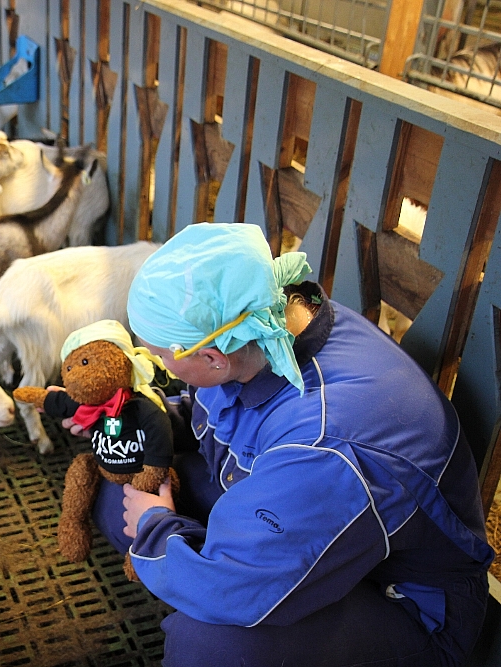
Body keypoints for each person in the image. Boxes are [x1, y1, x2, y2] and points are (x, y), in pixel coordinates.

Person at [81, 223, 494, 667]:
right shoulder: (267, 324)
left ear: (212, 358)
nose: (158, 363)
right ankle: (193, 582)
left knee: (208, 646)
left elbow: (236, 585)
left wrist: (157, 526)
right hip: (315, 525)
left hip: (401, 603)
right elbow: (215, 410)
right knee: (119, 474)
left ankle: (201, 598)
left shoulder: (325, 446)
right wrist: (137, 420)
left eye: (163, 356)